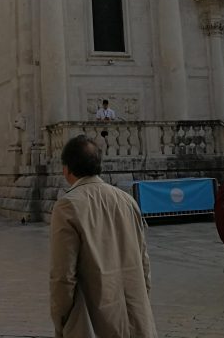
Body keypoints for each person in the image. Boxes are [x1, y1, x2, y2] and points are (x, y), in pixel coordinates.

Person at [50, 135, 157, 338]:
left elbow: (63, 276)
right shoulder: (127, 200)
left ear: (66, 169)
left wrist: (61, 319)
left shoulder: (67, 206)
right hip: (136, 319)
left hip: (93, 322)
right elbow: (144, 263)